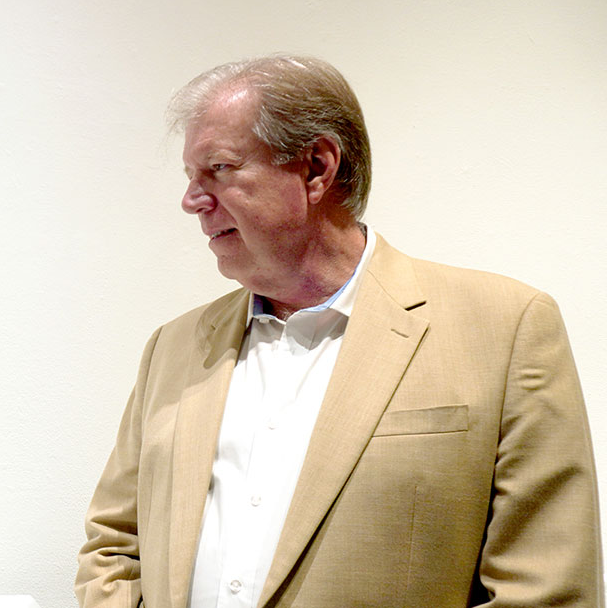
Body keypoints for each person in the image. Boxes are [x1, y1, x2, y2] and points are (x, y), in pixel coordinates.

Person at [75, 55, 602, 608]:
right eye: (190, 178)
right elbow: (114, 544)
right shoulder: (173, 348)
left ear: (317, 168)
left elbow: (547, 587)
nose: (192, 201)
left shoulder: (505, 327)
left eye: (220, 169)